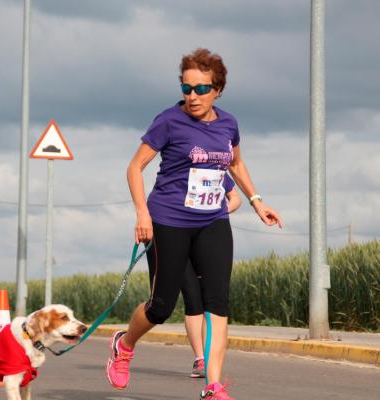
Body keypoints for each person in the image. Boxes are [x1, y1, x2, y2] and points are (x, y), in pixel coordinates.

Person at [106, 48, 283, 400]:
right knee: (161, 306)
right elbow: (134, 167)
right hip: (167, 221)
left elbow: (236, 164)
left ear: (217, 89)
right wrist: (142, 213)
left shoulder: (228, 123)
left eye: (201, 89)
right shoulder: (169, 121)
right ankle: (124, 346)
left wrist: (256, 201)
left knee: (218, 303)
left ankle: (213, 386)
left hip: (213, 221)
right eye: (187, 88)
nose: (193, 96)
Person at [182, 175, 241, 379]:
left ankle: (207, 360)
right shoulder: (179, 169)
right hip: (179, 237)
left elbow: (236, 198)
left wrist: (219, 211)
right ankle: (200, 358)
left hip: (207, 239)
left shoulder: (217, 171)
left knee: (212, 303)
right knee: (192, 299)